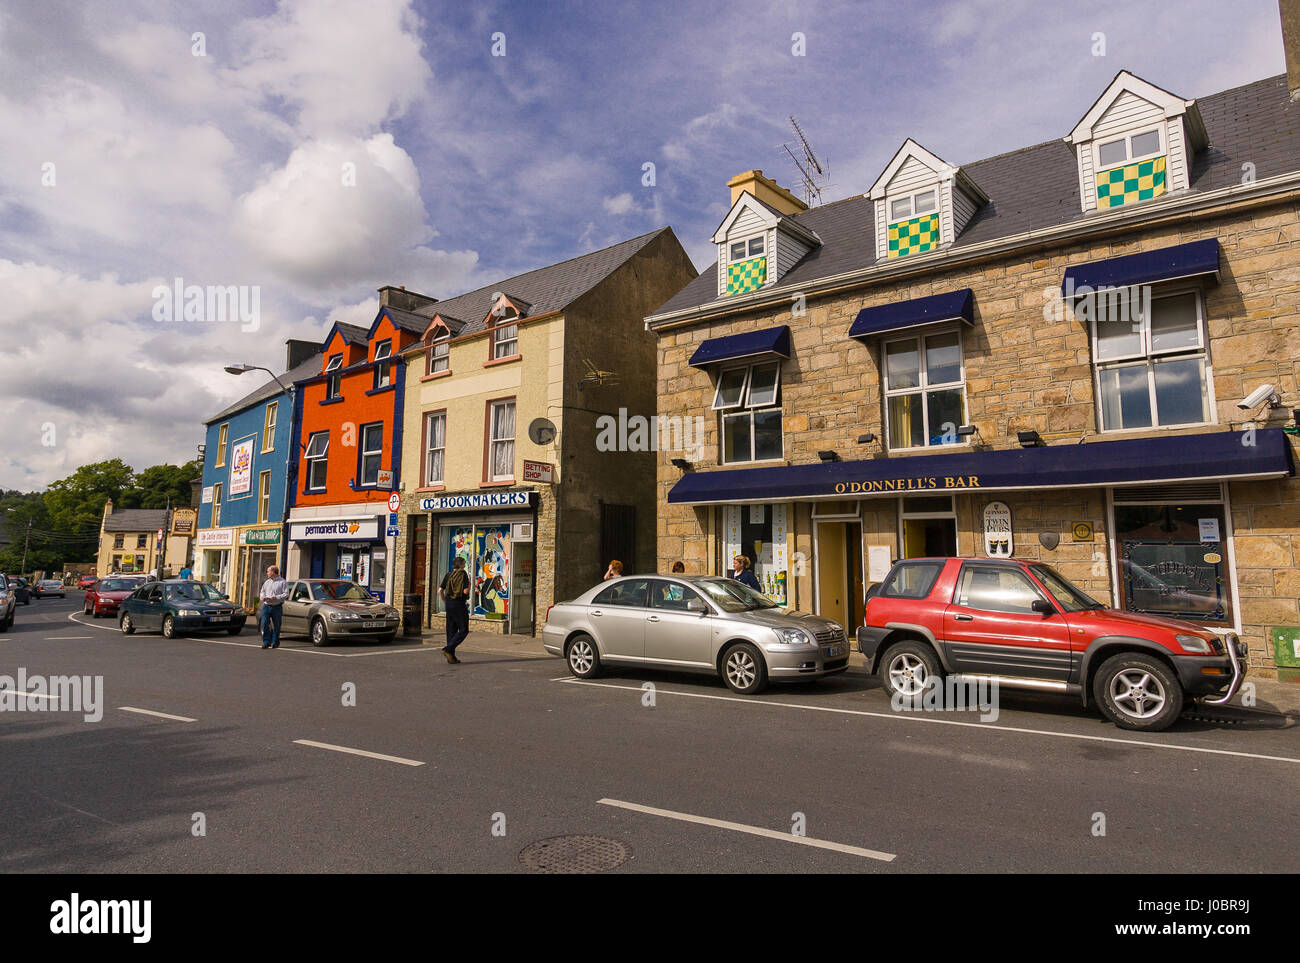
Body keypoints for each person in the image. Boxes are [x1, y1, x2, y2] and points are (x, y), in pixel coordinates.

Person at [439, 556, 470, 664]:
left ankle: (451, 657)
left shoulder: (448, 574)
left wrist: (445, 602)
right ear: (460, 565)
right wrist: (469, 585)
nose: (464, 565)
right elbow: (465, 592)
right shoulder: (463, 574)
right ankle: (448, 649)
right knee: (463, 629)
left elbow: (439, 590)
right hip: (459, 603)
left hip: (449, 604)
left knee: (451, 630)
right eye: (464, 563)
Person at [258, 565, 290, 649]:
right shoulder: (267, 582)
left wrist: (276, 597)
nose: (267, 573)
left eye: (268, 571)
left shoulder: (282, 582)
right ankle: (266, 641)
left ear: (273, 572)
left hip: (277, 606)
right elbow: (262, 591)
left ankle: (275, 642)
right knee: (264, 623)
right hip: (266, 606)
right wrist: (262, 597)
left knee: (277, 625)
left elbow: (286, 594)